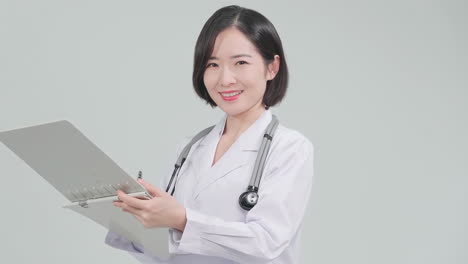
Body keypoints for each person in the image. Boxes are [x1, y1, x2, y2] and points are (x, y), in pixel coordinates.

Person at [105, 5, 314, 264]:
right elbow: (169, 249)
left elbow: (266, 243)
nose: (225, 79)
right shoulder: (189, 149)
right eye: (212, 64)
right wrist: (134, 218)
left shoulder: (289, 148)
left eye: (240, 63)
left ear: (272, 67)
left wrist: (182, 219)